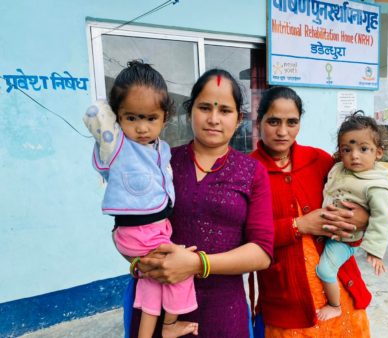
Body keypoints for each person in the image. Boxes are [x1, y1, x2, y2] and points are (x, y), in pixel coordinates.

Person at [133, 68, 274, 337]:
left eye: (225, 111)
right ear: (190, 112)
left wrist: (198, 264)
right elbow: (129, 223)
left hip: (223, 312)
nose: (213, 119)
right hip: (157, 306)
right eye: (205, 107)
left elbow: (262, 252)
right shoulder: (159, 163)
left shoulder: (252, 172)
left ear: (239, 118)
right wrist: (137, 262)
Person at [83, 60, 198, 338]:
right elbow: (93, 112)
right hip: (138, 232)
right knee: (181, 273)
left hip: (153, 230)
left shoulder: (162, 148)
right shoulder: (117, 146)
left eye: (150, 118)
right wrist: (113, 108)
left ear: (164, 117)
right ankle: (170, 325)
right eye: (131, 117)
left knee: (152, 284)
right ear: (119, 117)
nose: (142, 127)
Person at [250, 86, 373, 337]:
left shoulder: (320, 161)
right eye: (273, 121)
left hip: (340, 291)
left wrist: (363, 219)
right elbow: (245, 238)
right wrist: (299, 226)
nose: (283, 132)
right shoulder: (248, 170)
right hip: (287, 299)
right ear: (259, 120)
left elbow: (363, 196)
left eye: (292, 122)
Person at [316, 111, 388, 321]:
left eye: (363, 149)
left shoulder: (377, 185)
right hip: (326, 230)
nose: (354, 155)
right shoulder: (340, 169)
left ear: (378, 152)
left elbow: (383, 218)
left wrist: (375, 251)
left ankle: (334, 305)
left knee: (324, 270)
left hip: (345, 240)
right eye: (347, 149)